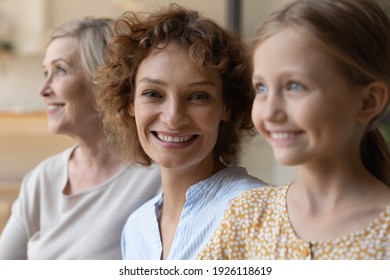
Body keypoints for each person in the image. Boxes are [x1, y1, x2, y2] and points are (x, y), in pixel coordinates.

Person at [199, 0, 390, 260]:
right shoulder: (246, 217)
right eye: (262, 88)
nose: (270, 112)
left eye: (295, 86)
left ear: (368, 102)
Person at [95, 4, 267, 260]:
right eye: (153, 94)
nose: (173, 118)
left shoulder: (258, 212)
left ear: (227, 107)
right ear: (130, 103)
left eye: (198, 96)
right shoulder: (136, 229)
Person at [0, 17, 161, 259]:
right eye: (45, 72)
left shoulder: (160, 177)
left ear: (107, 83)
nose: (42, 89)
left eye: (60, 70)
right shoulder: (42, 179)